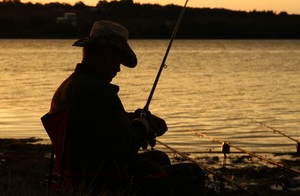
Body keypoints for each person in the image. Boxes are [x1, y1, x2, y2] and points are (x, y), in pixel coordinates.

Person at [42, 20, 205, 195]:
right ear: (108, 56)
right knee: (194, 173)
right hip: (105, 182)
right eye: (119, 61)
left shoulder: (70, 86)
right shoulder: (100, 91)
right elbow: (125, 146)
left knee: (161, 157)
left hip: (80, 175)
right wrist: (143, 127)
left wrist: (134, 119)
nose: (119, 69)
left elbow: (98, 123)